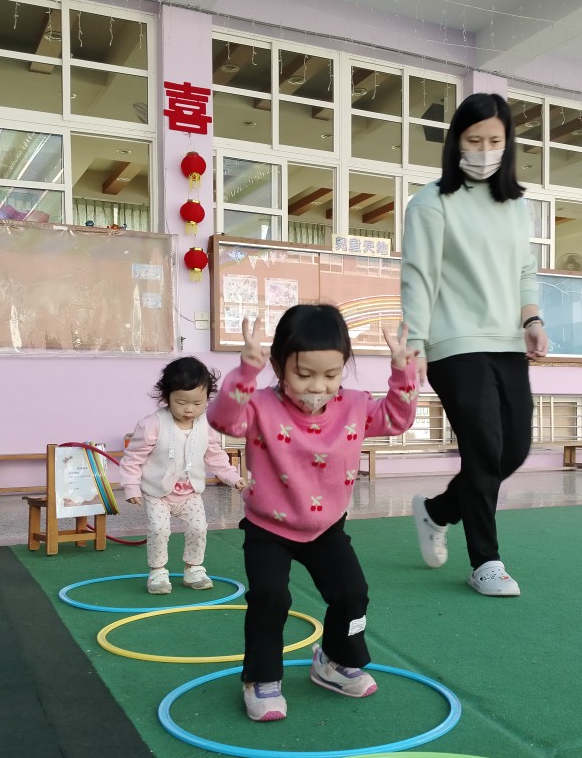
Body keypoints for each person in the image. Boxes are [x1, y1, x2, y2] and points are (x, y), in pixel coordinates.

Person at [207, 303, 417, 722]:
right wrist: (245, 372)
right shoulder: (260, 406)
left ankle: (335, 661)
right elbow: (223, 420)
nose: (317, 387)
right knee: (270, 597)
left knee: (352, 594)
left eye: (331, 375)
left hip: (326, 527)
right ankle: (261, 678)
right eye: (304, 375)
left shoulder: (355, 405)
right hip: (269, 526)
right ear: (279, 366)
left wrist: (402, 372)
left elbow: (397, 420)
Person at [400, 92, 549, 598]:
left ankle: (438, 511)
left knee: (514, 449)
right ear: (456, 142)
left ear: (508, 143)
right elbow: (419, 276)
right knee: (484, 449)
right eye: (474, 140)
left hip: (507, 340)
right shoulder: (431, 202)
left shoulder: (515, 204)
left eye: (494, 141)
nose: (484, 150)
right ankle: (486, 562)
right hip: (452, 342)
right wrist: (415, 343)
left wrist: (532, 318)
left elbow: (525, 269)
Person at [119, 356, 245, 595]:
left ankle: (194, 569)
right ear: (166, 397)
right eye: (181, 402)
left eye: (198, 403)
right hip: (157, 493)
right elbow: (133, 459)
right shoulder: (152, 425)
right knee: (159, 530)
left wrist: (233, 477)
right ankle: (158, 572)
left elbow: (216, 457)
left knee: (199, 528)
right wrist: (131, 487)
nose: (189, 409)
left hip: (190, 493)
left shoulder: (206, 426)